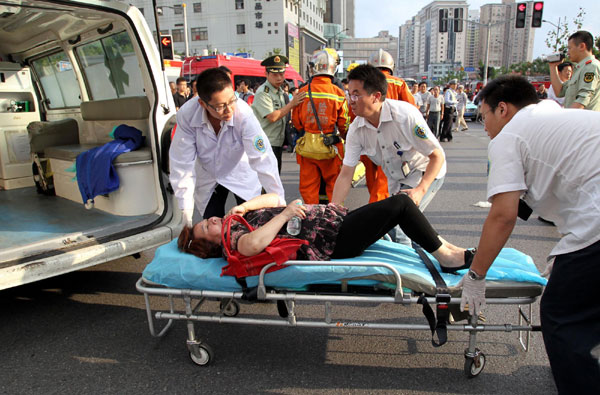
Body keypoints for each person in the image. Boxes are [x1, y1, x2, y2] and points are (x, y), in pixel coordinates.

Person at [463, 75, 600, 394]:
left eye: (483, 116)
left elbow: (503, 215)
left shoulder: (508, 138)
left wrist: (476, 274)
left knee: (563, 317)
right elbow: (525, 204)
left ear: (502, 109)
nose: (483, 127)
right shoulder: (553, 114)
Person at [179, 193, 475, 274]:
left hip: (334, 225)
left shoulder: (235, 222)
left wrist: (243, 207)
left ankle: (445, 249)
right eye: (208, 226)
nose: (213, 219)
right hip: (333, 241)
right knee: (400, 204)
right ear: (211, 245)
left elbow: (271, 196)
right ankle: (447, 257)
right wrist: (283, 215)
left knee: (400, 205)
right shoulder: (234, 241)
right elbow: (251, 247)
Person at [332, 64, 446, 247]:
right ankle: (442, 257)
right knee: (405, 228)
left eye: (355, 94)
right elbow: (346, 174)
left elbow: (437, 156)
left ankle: (407, 273)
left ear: (376, 96)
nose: (350, 100)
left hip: (425, 172)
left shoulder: (404, 116)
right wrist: (333, 211)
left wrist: (420, 190)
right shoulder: (356, 130)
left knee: (401, 228)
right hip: (397, 180)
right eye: (348, 94)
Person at [169, 68, 286, 226]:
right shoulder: (187, 115)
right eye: (220, 106)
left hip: (241, 173)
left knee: (250, 224)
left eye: (232, 100)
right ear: (202, 103)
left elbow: (263, 159)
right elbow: (182, 165)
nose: (229, 109)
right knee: (211, 228)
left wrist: (280, 204)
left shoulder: (244, 114)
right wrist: (185, 220)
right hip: (209, 175)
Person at [292, 50, 350, 204]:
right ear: (333, 69)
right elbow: (344, 123)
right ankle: (335, 218)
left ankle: (312, 220)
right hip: (330, 146)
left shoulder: (303, 91)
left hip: (307, 148)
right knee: (334, 186)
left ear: (313, 69)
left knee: (308, 188)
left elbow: (296, 121)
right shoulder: (338, 93)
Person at [362, 49, 417, 204]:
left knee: (373, 180)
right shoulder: (399, 83)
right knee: (383, 183)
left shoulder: (363, 84)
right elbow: (412, 111)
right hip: (392, 139)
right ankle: (378, 215)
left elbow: (355, 113)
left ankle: (378, 210)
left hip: (367, 138)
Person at [252, 55, 306, 172]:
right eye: (275, 75)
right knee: (267, 181)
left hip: (277, 142)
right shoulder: (263, 92)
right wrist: (292, 104)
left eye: (281, 74)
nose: (279, 78)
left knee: (274, 180)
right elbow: (272, 117)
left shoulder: (280, 92)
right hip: (266, 143)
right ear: (266, 74)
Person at [549, 30, 600, 111]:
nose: (568, 52)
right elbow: (559, 91)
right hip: (577, 119)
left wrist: (567, 116)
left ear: (582, 46)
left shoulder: (591, 67)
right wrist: (553, 67)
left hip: (584, 121)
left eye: (569, 48)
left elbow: (584, 97)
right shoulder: (579, 68)